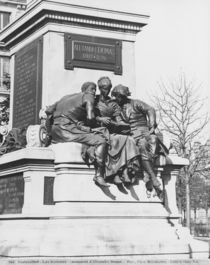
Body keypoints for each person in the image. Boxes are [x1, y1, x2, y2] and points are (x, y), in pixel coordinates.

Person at [45, 82, 109, 187]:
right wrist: (94, 123)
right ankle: (99, 175)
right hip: (67, 131)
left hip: (55, 131)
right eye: (94, 90)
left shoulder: (65, 97)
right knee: (100, 140)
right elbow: (90, 117)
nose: (95, 92)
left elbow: (48, 111)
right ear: (91, 90)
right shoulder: (88, 96)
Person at [83, 77, 141, 185]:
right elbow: (86, 117)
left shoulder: (113, 104)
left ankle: (123, 172)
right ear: (100, 88)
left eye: (109, 88)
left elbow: (118, 119)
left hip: (110, 131)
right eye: (105, 88)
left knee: (128, 139)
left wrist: (123, 125)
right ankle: (110, 174)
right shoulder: (93, 100)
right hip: (96, 130)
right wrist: (100, 119)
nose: (107, 91)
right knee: (109, 140)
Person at [111, 84, 163, 197]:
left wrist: (152, 125)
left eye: (121, 96)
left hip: (144, 130)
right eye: (117, 96)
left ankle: (148, 176)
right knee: (142, 145)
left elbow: (150, 109)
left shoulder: (135, 103)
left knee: (153, 141)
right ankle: (152, 177)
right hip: (131, 134)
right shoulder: (115, 108)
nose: (119, 99)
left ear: (125, 96)